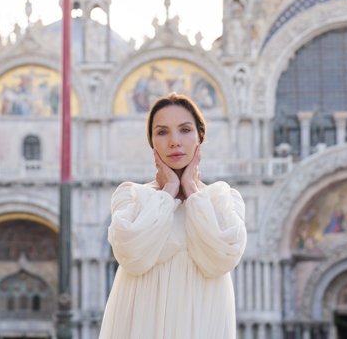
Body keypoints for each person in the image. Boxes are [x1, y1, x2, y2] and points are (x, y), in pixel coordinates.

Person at [98, 93, 247, 339]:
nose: (174, 141)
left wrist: (191, 188)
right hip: (141, 325)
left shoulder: (225, 200)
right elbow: (132, 254)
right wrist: (168, 192)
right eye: (162, 132)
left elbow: (223, 258)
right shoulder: (130, 197)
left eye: (185, 130)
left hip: (203, 322)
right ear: (152, 142)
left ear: (200, 137)